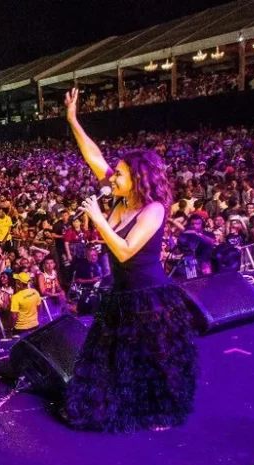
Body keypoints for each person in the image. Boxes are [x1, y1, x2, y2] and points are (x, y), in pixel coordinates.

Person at [61, 88, 198, 433]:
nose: (113, 177)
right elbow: (94, 157)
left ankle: (159, 413)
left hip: (149, 295)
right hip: (121, 294)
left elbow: (124, 250)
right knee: (114, 357)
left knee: (154, 358)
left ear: (137, 178)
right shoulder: (121, 199)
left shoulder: (153, 209)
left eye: (120, 174)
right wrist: (72, 120)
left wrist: (97, 218)